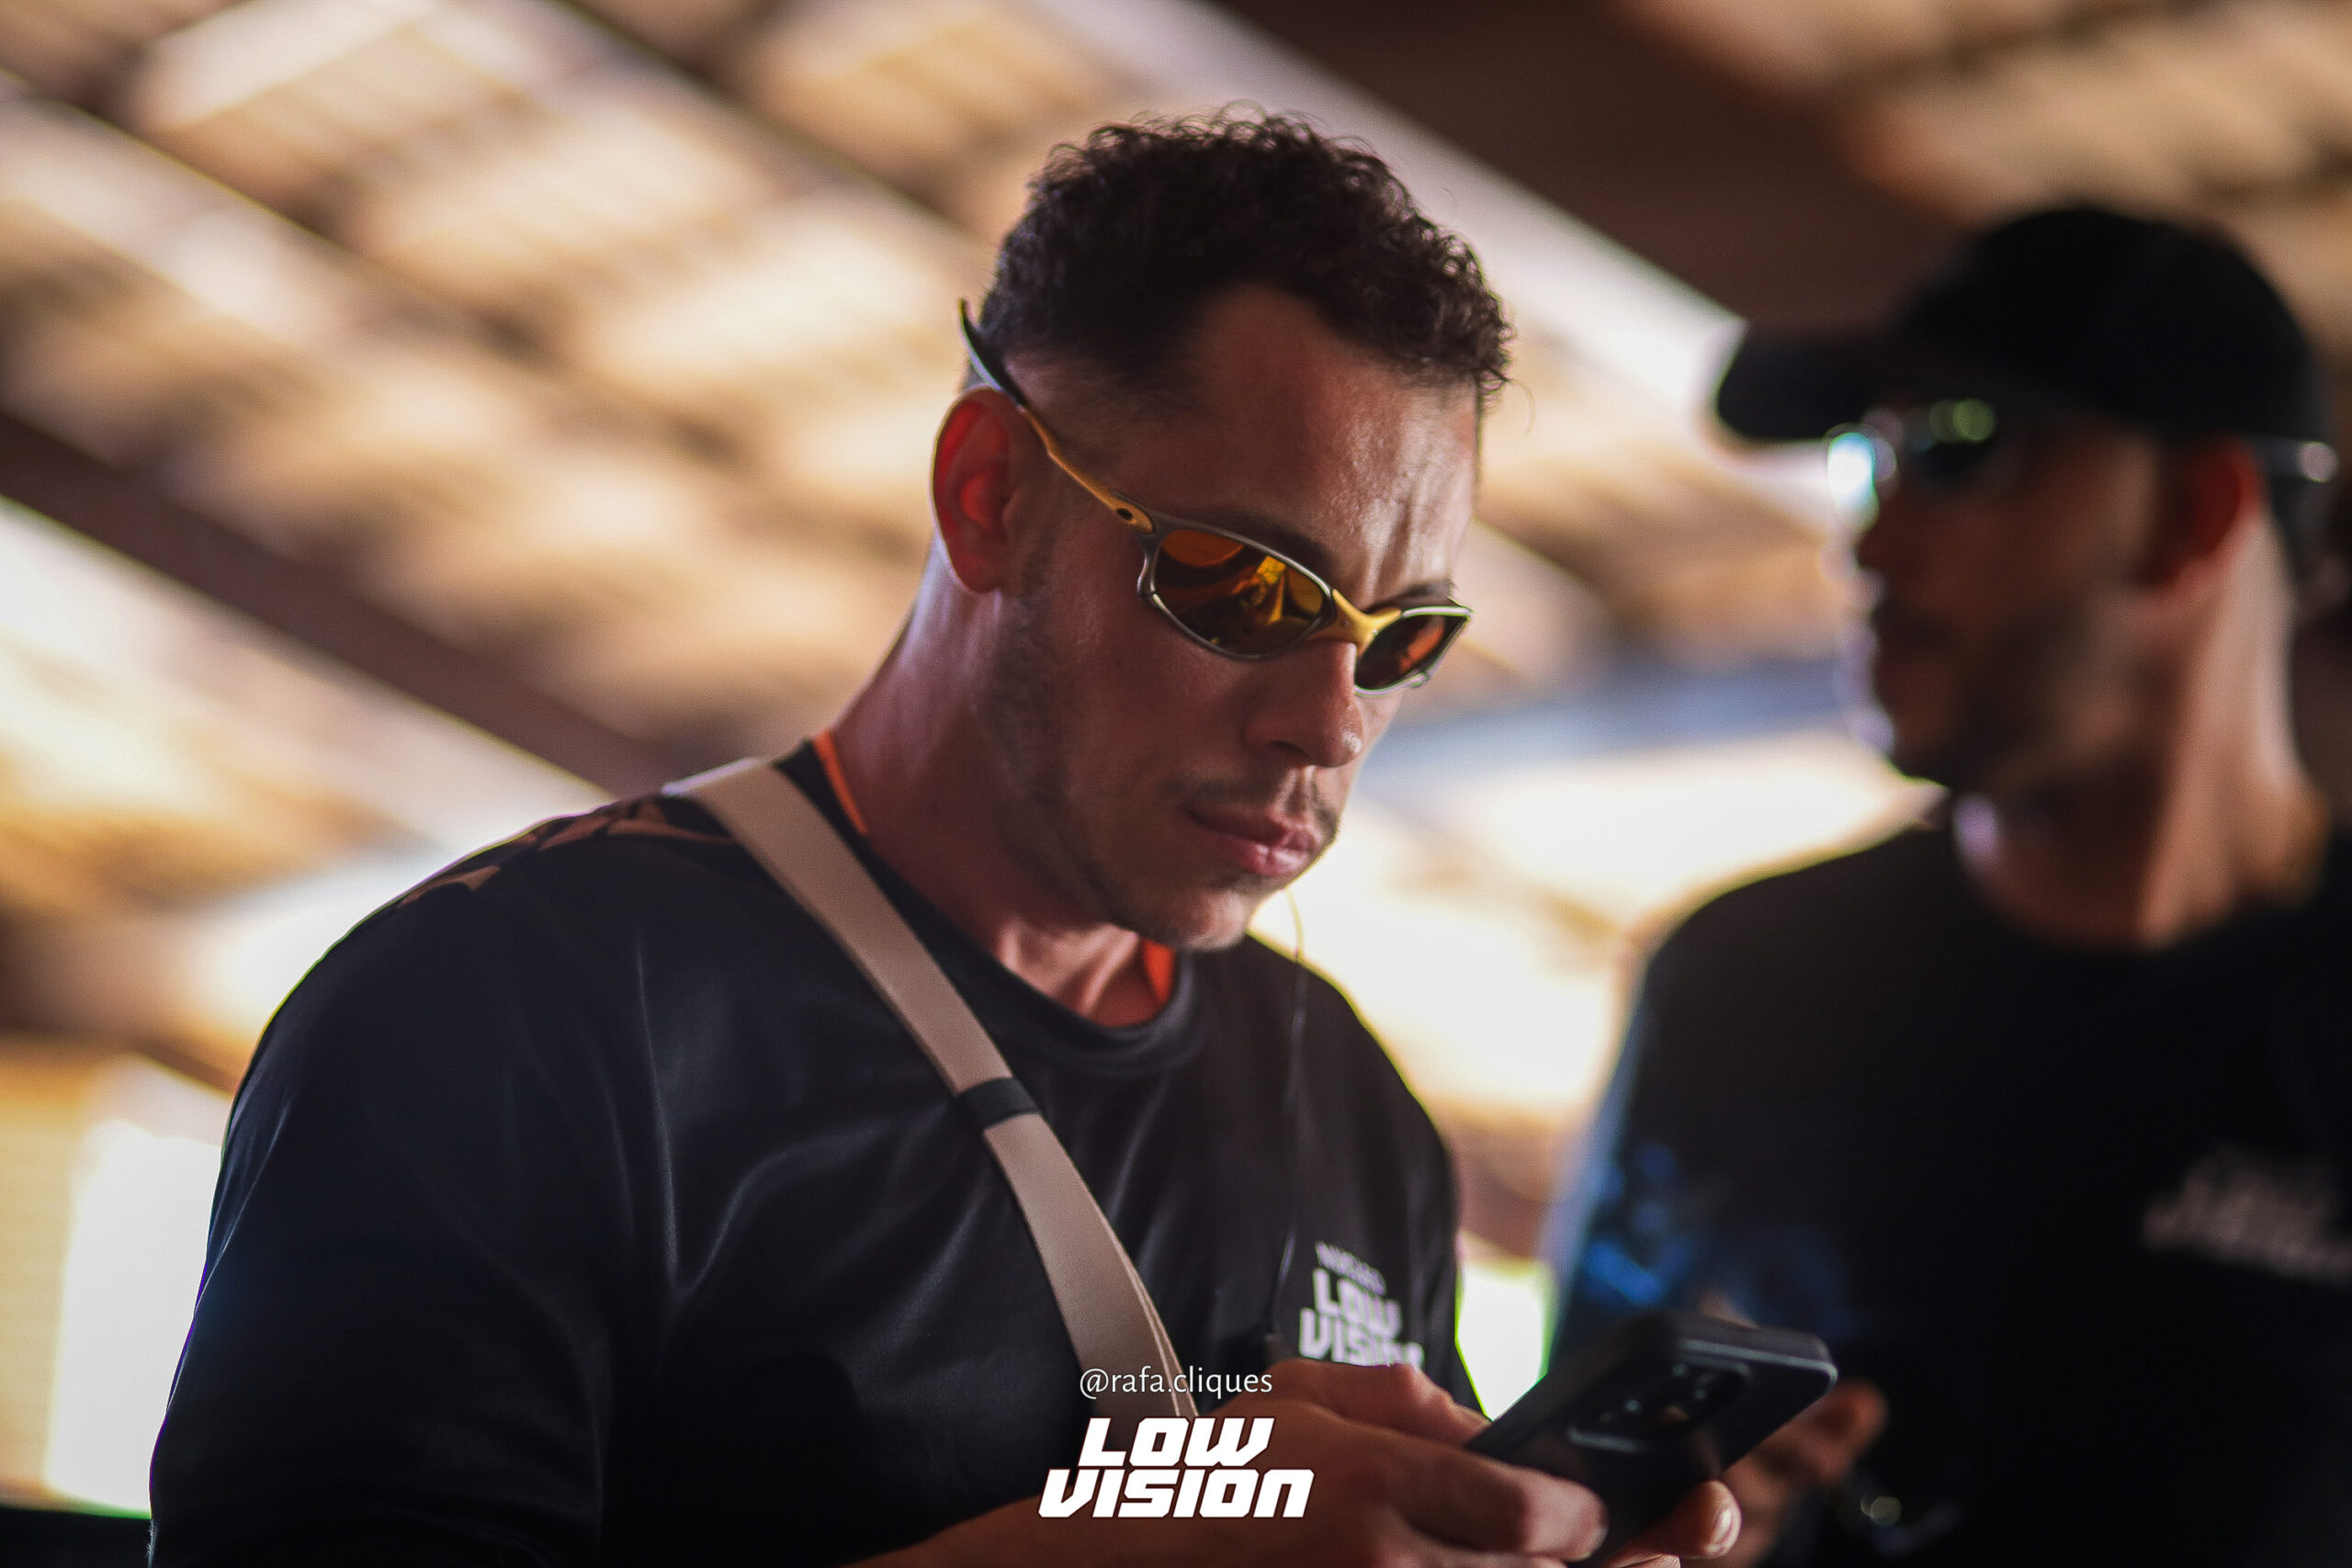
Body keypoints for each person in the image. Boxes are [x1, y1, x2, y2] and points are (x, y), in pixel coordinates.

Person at [151, 116, 1738, 1568]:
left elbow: (1186, 1500)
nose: (1328, 724)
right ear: (990, 496)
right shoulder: (512, 1011)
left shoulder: (1337, 1096)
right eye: (1250, 590)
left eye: (1403, 641)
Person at [1545, 204, 2352, 1566]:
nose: (1866, 543)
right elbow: (1567, 1516)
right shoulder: (1745, 986)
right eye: (1868, 459)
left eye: (1956, 449)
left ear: (2191, 515)